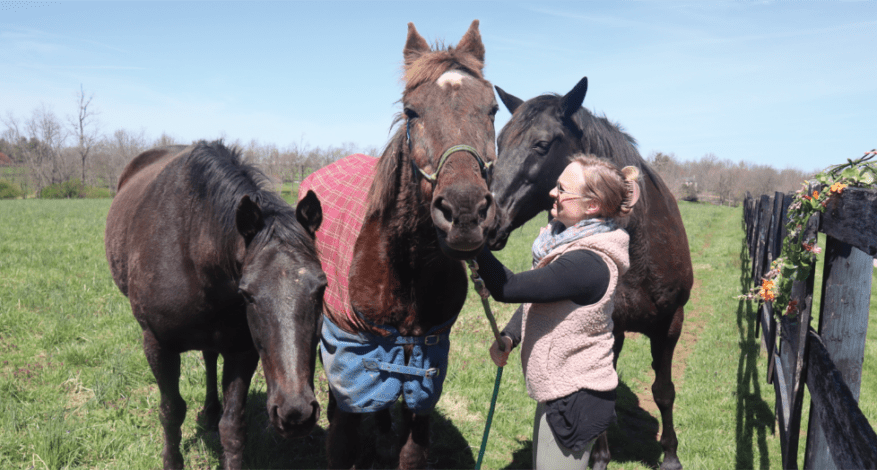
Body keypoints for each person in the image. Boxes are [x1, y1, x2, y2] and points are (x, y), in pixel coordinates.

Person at [476, 153, 640, 469]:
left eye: (563, 189)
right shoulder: (566, 244)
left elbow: (508, 288)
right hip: (560, 389)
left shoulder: (587, 262)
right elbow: (541, 298)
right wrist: (510, 336)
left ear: (592, 207)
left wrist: (472, 240)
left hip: (576, 399)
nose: (553, 193)